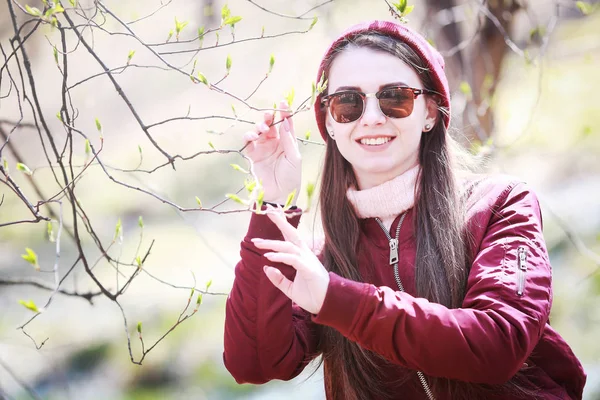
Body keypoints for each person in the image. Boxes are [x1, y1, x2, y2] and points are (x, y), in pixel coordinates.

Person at [222, 20, 586, 400]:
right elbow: (255, 364)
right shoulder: (322, 261)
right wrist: (274, 201)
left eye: (396, 98)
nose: (373, 117)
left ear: (430, 111)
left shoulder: (498, 206)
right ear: (329, 121)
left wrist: (338, 299)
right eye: (348, 102)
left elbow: (497, 345)